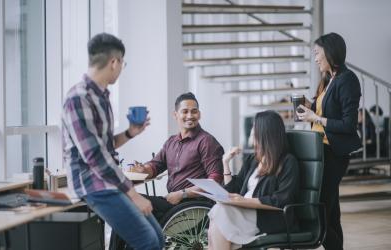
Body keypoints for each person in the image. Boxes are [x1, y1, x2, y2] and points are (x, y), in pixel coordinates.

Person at [61, 33, 164, 250]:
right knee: (148, 241)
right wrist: (134, 195)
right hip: (92, 184)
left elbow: (104, 147)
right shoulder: (78, 98)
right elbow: (95, 157)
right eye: (122, 64)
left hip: (106, 180)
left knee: (158, 238)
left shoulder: (102, 97)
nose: (121, 69)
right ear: (114, 62)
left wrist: (130, 133)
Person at [296, 32, 361, 250]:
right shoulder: (328, 79)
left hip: (333, 153)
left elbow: (348, 125)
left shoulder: (348, 80)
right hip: (319, 150)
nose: (315, 58)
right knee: (331, 211)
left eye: (317, 53)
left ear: (330, 52)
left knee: (320, 208)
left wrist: (316, 117)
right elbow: (323, 112)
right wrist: (310, 107)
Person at [208, 111, 300, 250]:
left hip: (268, 217)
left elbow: (281, 200)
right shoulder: (253, 159)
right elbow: (234, 190)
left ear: (265, 132)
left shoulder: (287, 162)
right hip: (243, 211)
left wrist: (244, 201)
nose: (251, 131)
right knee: (218, 216)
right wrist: (225, 163)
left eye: (254, 127)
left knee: (219, 216)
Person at [132, 92, 225, 221]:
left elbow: (215, 181)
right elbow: (156, 165)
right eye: (185, 111)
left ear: (199, 114)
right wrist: (144, 169)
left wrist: (183, 194)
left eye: (194, 111)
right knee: (128, 202)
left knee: (130, 199)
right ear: (175, 115)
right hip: (172, 203)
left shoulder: (206, 141)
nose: (190, 116)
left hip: (191, 206)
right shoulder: (171, 142)